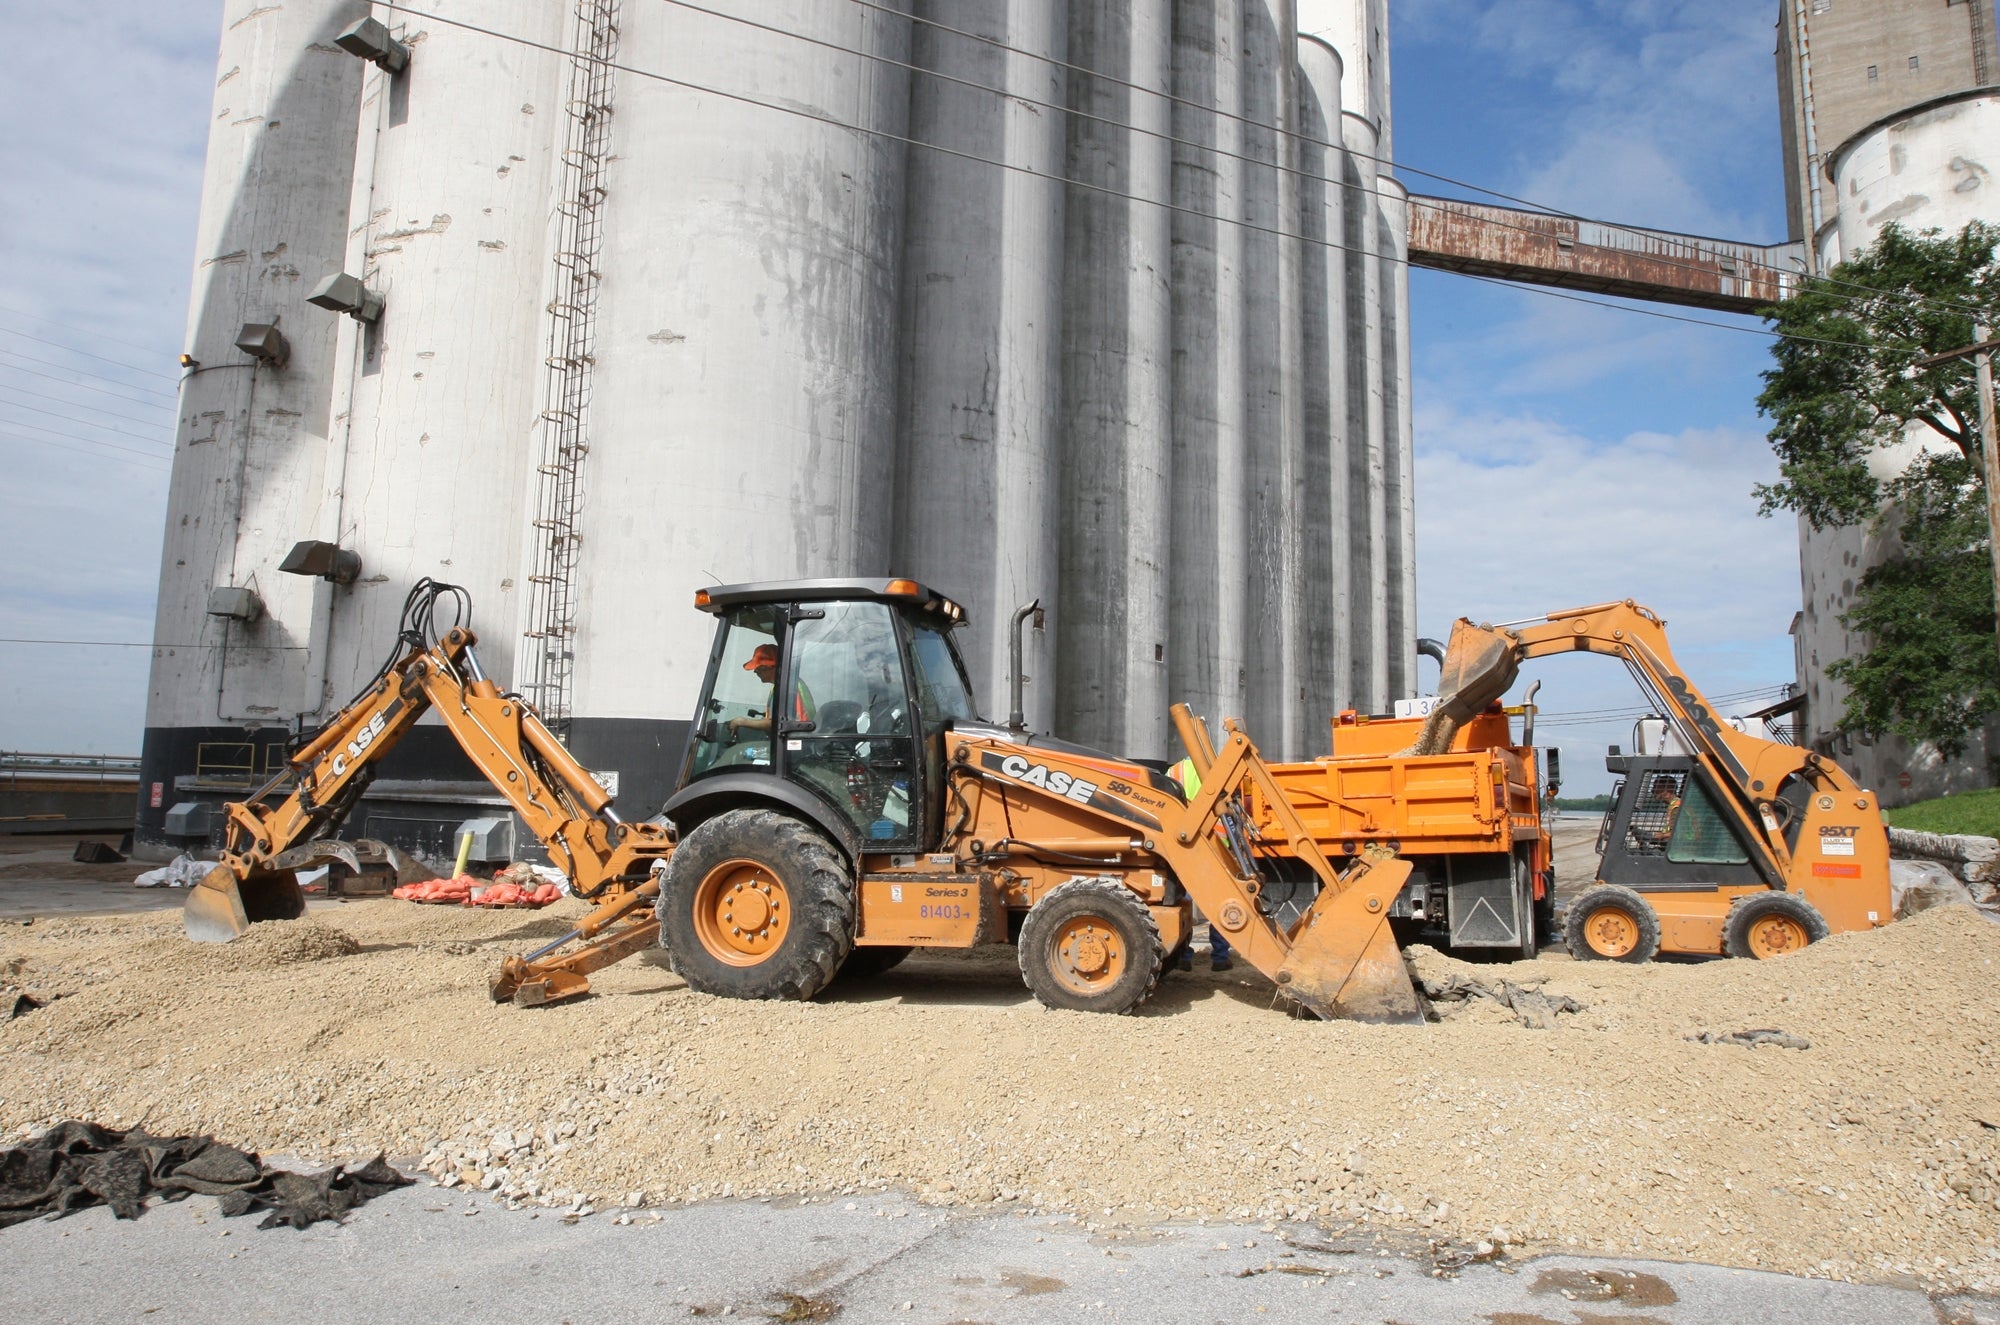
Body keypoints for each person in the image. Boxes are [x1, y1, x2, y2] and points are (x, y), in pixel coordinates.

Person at [1168, 756, 1233, 972]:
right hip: (1216, 847)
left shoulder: (1175, 771)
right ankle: (1220, 958)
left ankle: (1184, 956)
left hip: (1185, 847)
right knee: (1219, 903)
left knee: (1182, 901)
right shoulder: (1219, 769)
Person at [726, 643, 814, 740]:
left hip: (796, 743)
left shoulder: (786, 689)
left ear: (772, 668)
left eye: (759, 669)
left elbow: (775, 723)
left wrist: (741, 721)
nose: (756, 673)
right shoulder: (789, 683)